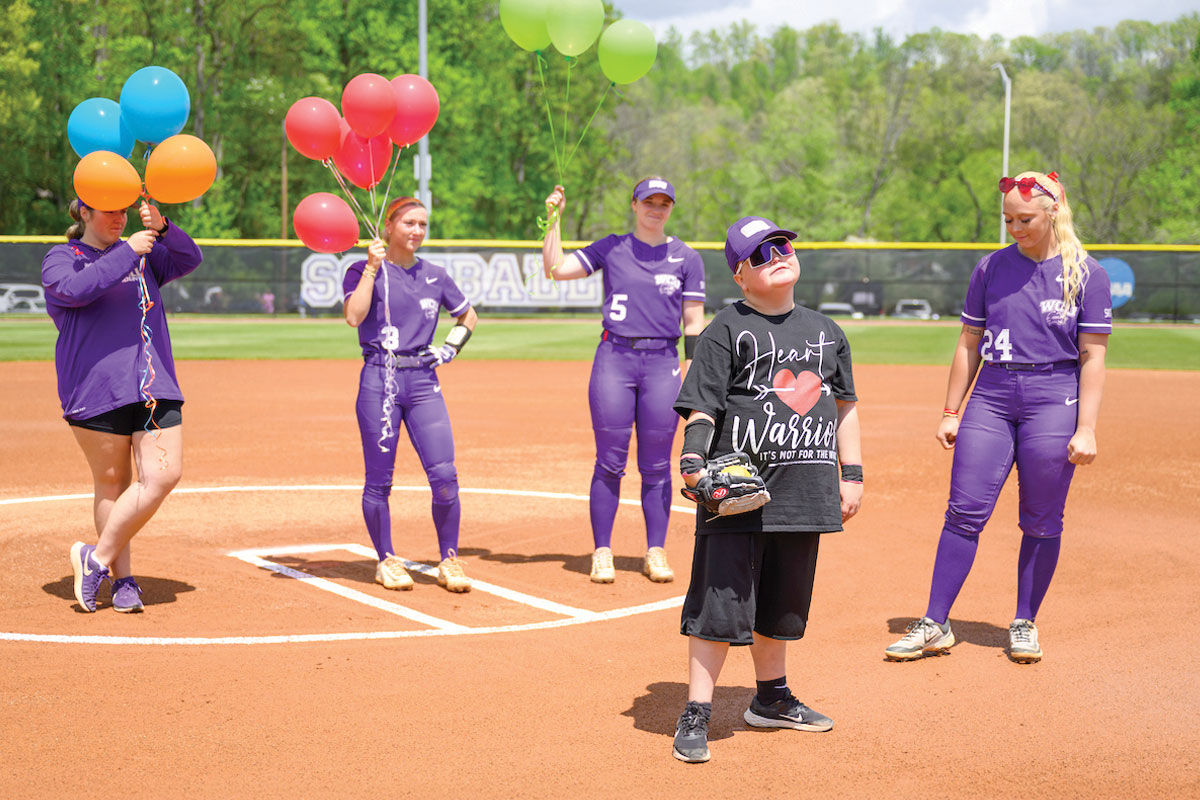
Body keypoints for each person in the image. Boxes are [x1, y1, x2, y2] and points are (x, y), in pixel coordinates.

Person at [885, 171, 1111, 664]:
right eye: (1008, 218)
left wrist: (1087, 427)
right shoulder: (990, 268)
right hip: (992, 394)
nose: (1015, 227)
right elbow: (969, 342)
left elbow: (1093, 355)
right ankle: (935, 622)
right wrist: (951, 410)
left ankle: (1024, 621)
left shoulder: (1086, 273)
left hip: (1055, 397)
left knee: (1042, 518)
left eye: (1024, 218)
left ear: (1053, 211)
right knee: (963, 512)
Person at [670, 216, 863, 763]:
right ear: (740, 275)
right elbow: (704, 404)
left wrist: (852, 473)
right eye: (761, 253)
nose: (777, 254)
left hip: (804, 491)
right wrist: (693, 461)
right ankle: (697, 711)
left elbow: (845, 406)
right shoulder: (727, 329)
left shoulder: (827, 331)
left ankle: (772, 699)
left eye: (781, 245)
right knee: (718, 603)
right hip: (739, 495)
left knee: (782, 602)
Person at [542, 177, 706, 583]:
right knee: (610, 462)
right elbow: (556, 269)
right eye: (648, 201)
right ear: (634, 204)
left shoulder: (687, 257)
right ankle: (602, 551)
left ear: (671, 207)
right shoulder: (612, 246)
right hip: (614, 358)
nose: (656, 208)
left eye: (664, 202)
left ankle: (655, 551)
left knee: (655, 466)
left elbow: (693, 322)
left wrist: (697, 376)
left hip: (663, 362)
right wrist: (553, 221)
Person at [44, 197, 203, 613]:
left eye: (124, 211)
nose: (119, 218)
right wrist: (128, 251)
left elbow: (189, 257)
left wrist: (164, 227)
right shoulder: (63, 257)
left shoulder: (145, 252)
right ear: (82, 212)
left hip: (155, 383)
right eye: (109, 210)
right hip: (95, 387)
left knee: (165, 474)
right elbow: (75, 290)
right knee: (113, 482)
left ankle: (94, 558)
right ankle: (122, 581)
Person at [343, 196, 478, 593]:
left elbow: (467, 315)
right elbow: (354, 316)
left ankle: (449, 559)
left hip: (423, 381)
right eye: (409, 223)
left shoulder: (435, 275)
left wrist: (451, 347)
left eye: (423, 224)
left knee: (445, 476)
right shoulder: (361, 269)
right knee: (379, 481)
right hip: (379, 380)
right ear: (388, 226)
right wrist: (371, 267)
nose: (417, 231)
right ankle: (386, 559)